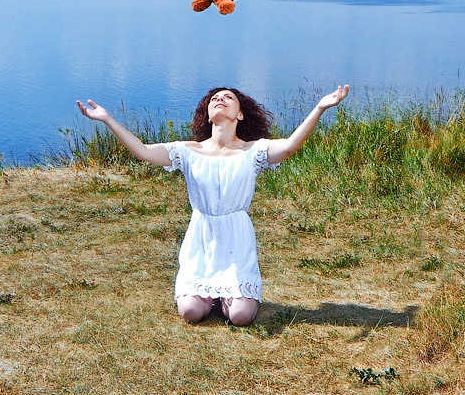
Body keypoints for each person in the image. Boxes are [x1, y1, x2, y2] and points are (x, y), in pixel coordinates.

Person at [75, 84, 350, 325]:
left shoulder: (253, 150)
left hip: (236, 237)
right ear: (207, 115)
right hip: (201, 238)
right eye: (215, 98)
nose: (220, 99)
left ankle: (231, 297)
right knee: (191, 312)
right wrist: (107, 119)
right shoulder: (187, 151)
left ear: (240, 114)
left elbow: (289, 146)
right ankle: (210, 296)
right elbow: (144, 151)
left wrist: (320, 107)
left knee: (240, 317)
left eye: (228, 97)